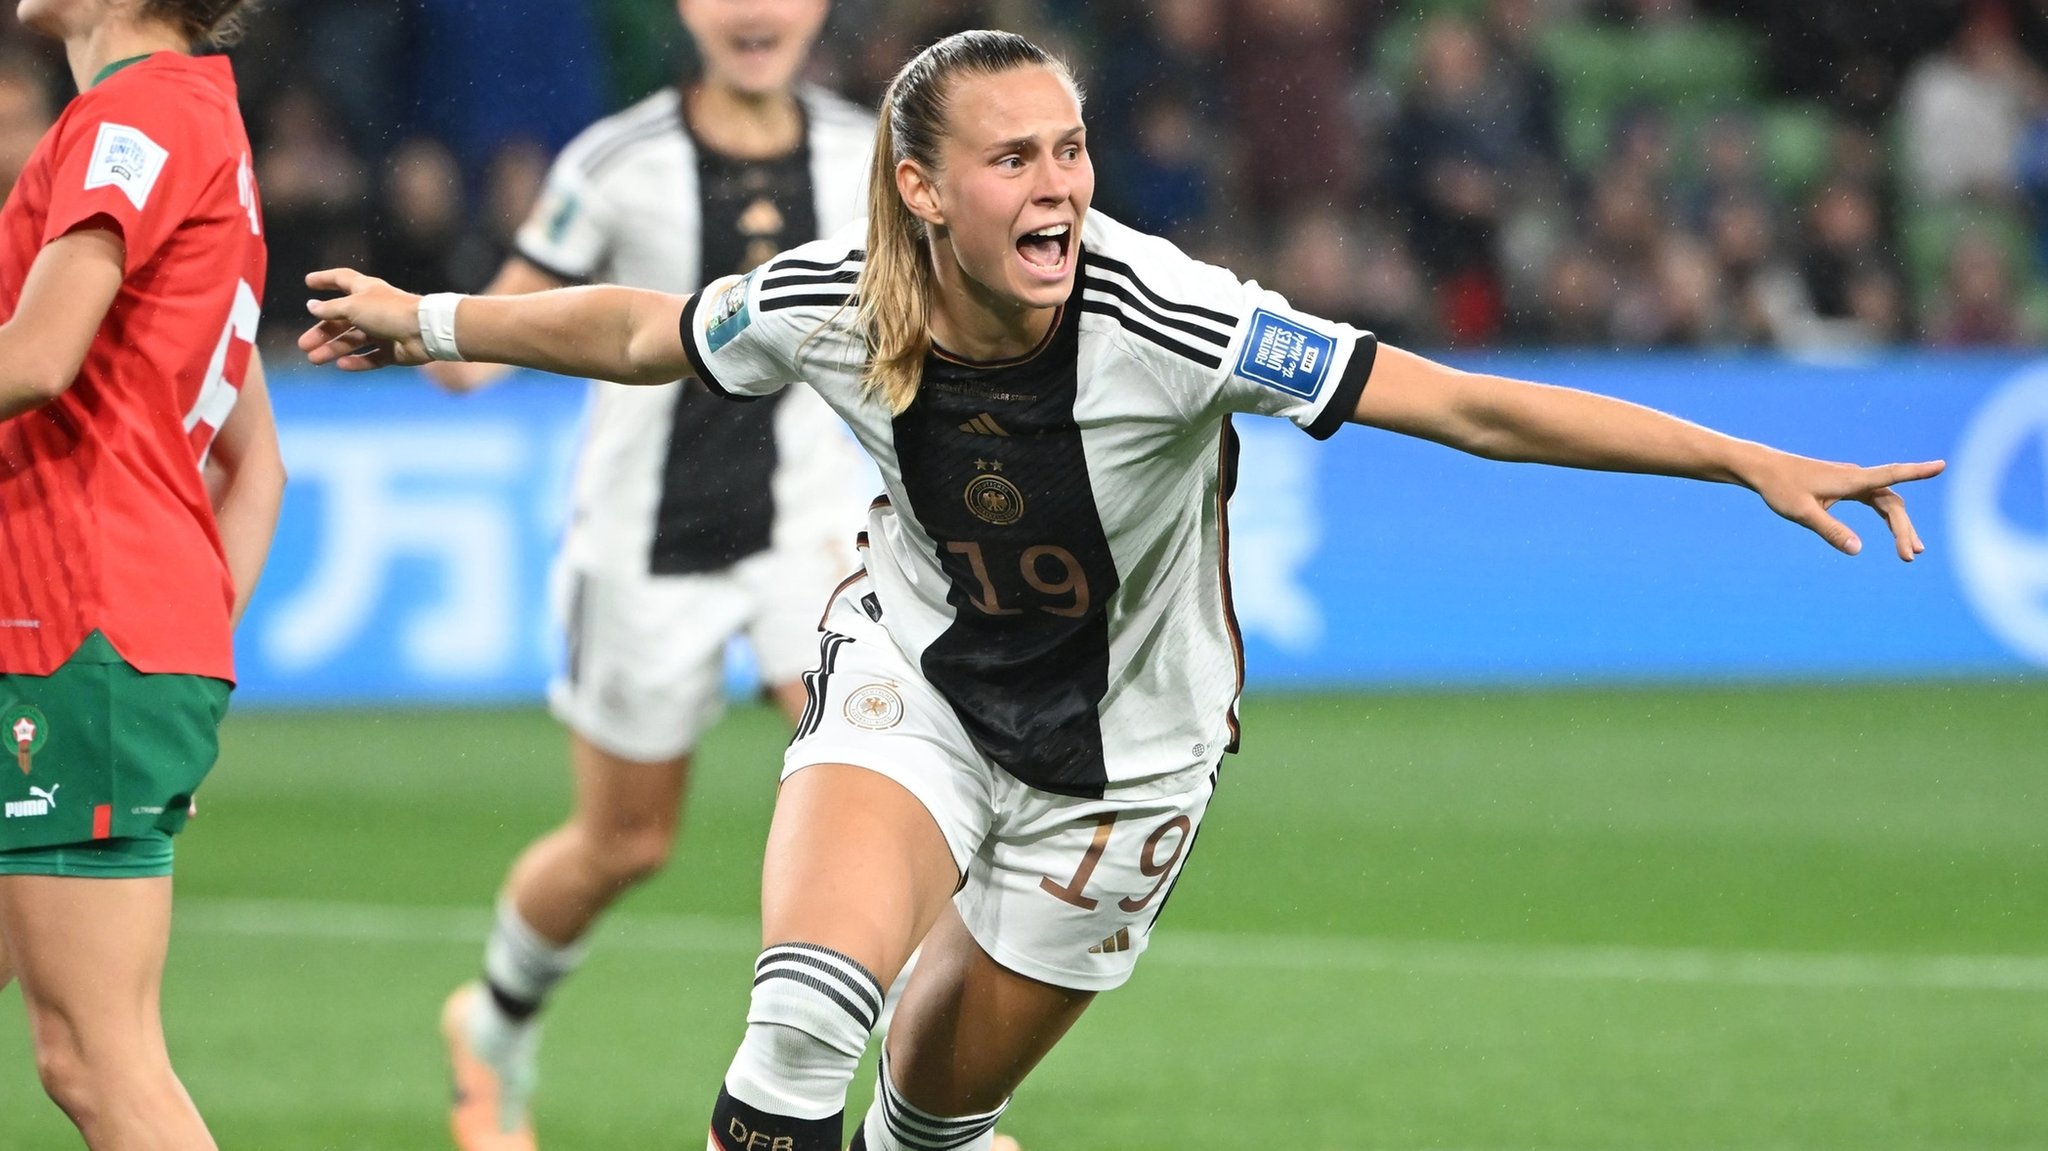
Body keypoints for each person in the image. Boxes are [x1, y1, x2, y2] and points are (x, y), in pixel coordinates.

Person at [300, 30, 1941, 1151]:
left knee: (924, 1123)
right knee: (796, 1033)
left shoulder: (1179, 315)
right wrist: (434, 319)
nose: (1062, 187)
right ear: (924, 190)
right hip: (915, 690)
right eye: (1014, 159)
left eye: (1071, 149)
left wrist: (1736, 457)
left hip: (1131, 765)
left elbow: (1461, 404)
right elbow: (648, 331)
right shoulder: (827, 297)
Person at [415, 3, 876, 1149]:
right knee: (624, 842)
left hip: (809, 529)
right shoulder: (616, 162)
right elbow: (521, 300)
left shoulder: (873, 151)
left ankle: (926, 1120)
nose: (754, 12)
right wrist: (443, 340)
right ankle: (494, 1025)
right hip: (641, 540)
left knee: (872, 779)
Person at [0, 1, 281, 1148]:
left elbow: (38, 355)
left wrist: (137, 672)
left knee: (95, 1058)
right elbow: (255, 467)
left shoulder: (138, 120)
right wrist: (172, 660)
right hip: (99, 640)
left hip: (72, 629)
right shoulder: (190, 121)